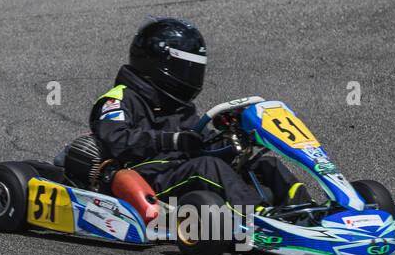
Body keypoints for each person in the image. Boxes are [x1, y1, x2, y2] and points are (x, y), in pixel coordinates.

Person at [63, 17, 307, 212]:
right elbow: (118, 142)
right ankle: (258, 217)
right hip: (144, 174)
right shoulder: (118, 99)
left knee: (263, 161)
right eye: (187, 69)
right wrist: (172, 140)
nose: (191, 77)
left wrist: (233, 141)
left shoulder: (177, 106)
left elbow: (200, 139)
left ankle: (305, 209)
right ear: (162, 67)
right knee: (207, 166)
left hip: (179, 168)